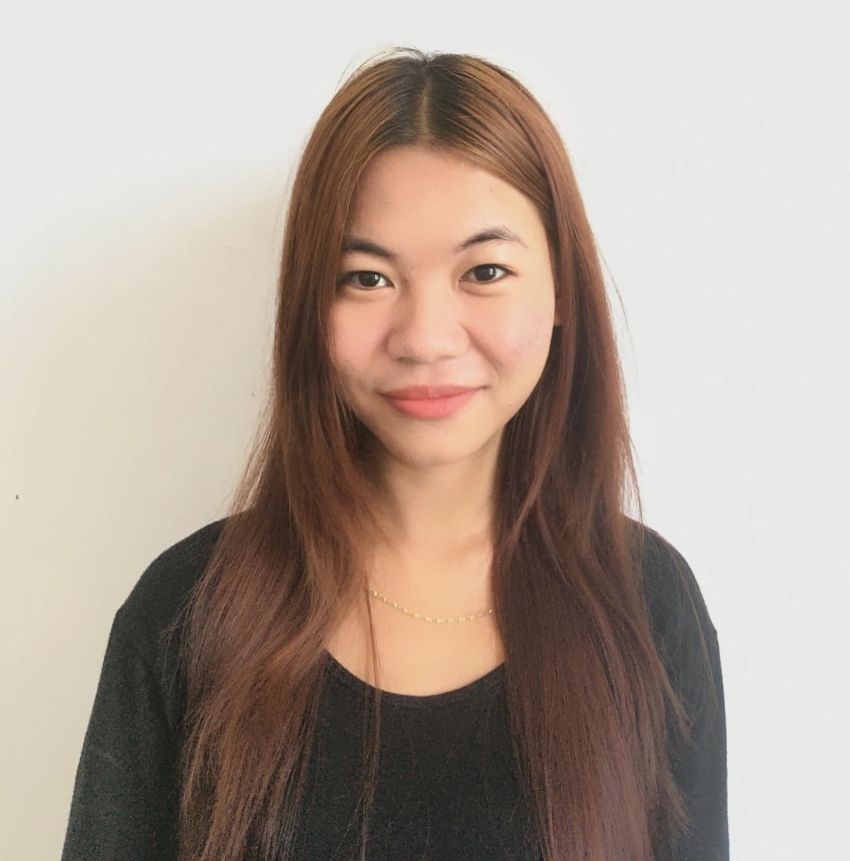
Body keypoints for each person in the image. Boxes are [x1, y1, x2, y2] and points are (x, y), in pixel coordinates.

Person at [61, 49, 728, 861]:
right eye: (367, 278)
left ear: (560, 290)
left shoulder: (645, 606)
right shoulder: (186, 612)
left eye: (485, 271)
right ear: (310, 305)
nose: (424, 339)